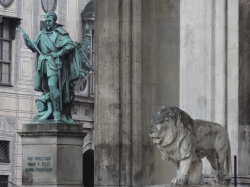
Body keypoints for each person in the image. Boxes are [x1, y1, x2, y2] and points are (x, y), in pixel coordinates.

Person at [23, 11, 80, 122]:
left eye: (49, 21)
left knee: (52, 85)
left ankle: (57, 112)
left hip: (54, 63)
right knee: (46, 89)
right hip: (43, 63)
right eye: (46, 21)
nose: (47, 23)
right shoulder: (41, 33)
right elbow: (35, 47)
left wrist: (59, 53)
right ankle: (49, 110)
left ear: (54, 21)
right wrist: (27, 42)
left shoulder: (60, 32)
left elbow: (70, 45)